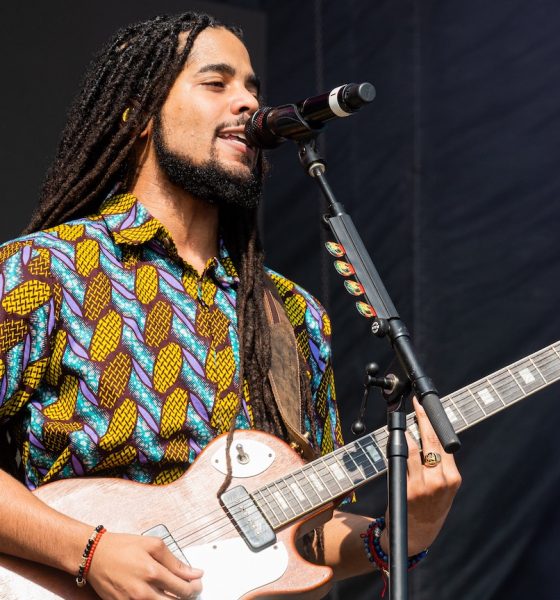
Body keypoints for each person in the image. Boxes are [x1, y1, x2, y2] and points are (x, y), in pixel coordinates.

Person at [0, 11, 461, 599]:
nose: (246, 102)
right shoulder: (44, 271)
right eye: (216, 84)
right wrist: (89, 551)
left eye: (253, 88)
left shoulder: (290, 312)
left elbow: (309, 529)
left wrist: (404, 533)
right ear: (138, 116)